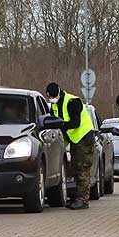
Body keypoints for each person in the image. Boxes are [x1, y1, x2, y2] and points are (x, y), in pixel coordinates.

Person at [46, 82, 95, 210]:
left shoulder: (73, 101)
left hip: (84, 138)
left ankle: (83, 200)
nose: (51, 100)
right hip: (75, 140)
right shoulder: (55, 105)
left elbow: (75, 123)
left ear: (58, 93)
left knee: (82, 169)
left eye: (52, 97)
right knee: (75, 168)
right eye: (49, 98)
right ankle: (77, 198)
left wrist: (61, 125)